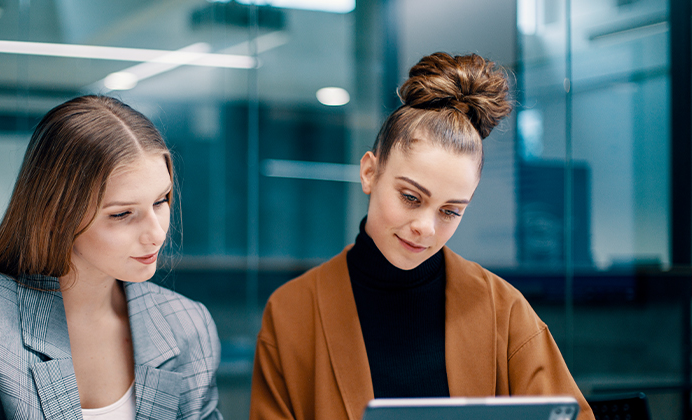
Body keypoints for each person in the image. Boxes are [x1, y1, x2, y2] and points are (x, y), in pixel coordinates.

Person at [249, 52, 594, 420]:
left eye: (450, 211)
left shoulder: (503, 311)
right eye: (411, 197)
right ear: (369, 172)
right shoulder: (293, 314)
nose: (426, 228)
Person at [0, 95, 222, 420]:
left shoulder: (186, 324)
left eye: (160, 201)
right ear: (59, 215)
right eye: (122, 214)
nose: (156, 233)